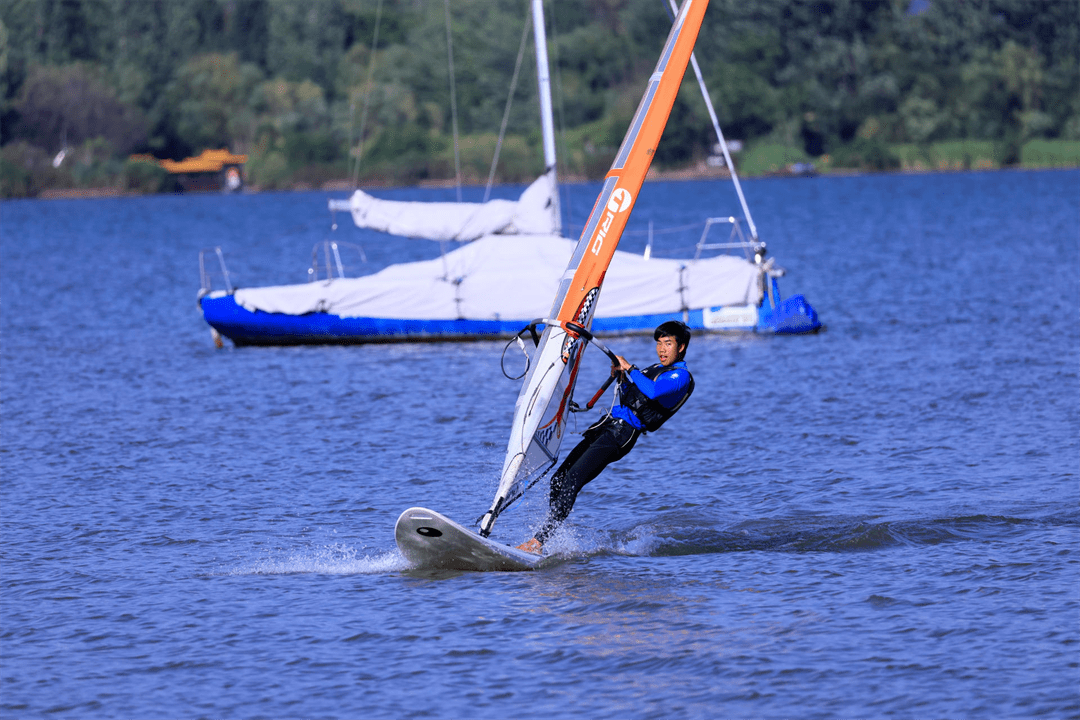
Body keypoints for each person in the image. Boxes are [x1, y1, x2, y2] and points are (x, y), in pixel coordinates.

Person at [516, 320, 695, 554]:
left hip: (622, 435)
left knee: (573, 481)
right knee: (558, 480)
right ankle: (548, 537)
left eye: (668, 344)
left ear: (680, 347)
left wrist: (630, 368)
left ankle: (537, 543)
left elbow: (652, 392)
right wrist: (621, 377)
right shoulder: (653, 370)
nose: (662, 350)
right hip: (606, 427)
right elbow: (628, 396)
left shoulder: (681, 377)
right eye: (659, 344)